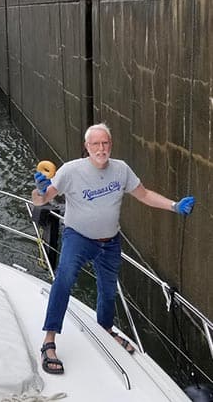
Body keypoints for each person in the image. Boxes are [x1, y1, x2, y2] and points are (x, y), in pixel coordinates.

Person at [31, 123, 195, 375]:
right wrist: (40, 191)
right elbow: (42, 199)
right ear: (87, 147)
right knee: (63, 280)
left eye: (105, 143)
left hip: (110, 241)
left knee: (108, 292)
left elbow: (145, 195)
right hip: (79, 238)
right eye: (95, 144)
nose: (101, 148)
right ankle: (49, 341)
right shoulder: (70, 171)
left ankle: (105, 327)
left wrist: (174, 206)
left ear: (111, 145)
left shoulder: (121, 170)